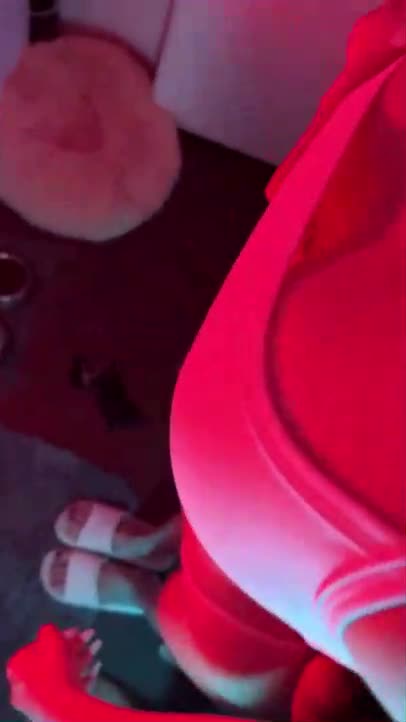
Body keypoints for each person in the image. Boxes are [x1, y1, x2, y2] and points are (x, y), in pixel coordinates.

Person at [7, 2, 406, 721]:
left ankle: (149, 592)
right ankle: (159, 548)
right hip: (358, 199)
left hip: (332, 572)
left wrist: (65, 707)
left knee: (251, 665)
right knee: (220, 593)